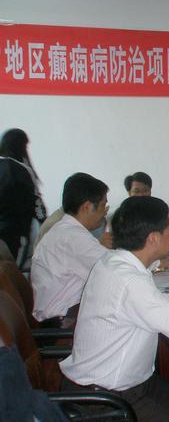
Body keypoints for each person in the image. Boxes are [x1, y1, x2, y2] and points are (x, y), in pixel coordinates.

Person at [60, 196, 169, 421]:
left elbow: (157, 303)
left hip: (122, 384)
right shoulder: (130, 280)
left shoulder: (115, 262)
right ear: (153, 238)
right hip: (104, 400)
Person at [31, 173, 111, 323]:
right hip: (63, 322)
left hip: (63, 313)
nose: (104, 212)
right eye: (102, 205)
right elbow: (114, 269)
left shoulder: (66, 230)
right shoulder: (73, 237)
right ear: (87, 207)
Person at [0, 128, 46, 259]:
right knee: (12, 269)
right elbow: (37, 204)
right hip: (15, 234)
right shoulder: (22, 170)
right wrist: (47, 225)